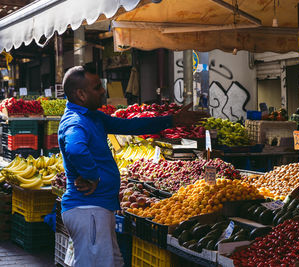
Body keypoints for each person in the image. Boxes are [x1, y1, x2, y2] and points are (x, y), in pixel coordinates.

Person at [59, 65, 205, 267]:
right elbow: (75, 149)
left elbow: (130, 126)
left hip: (97, 209)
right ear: (81, 94)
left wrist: (173, 120)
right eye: (97, 88)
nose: (103, 91)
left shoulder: (92, 117)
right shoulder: (76, 122)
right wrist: (92, 175)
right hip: (88, 210)